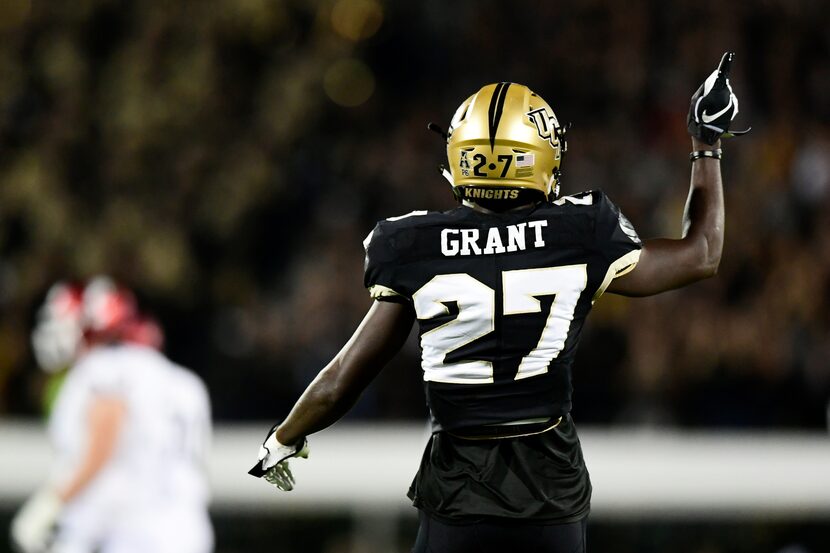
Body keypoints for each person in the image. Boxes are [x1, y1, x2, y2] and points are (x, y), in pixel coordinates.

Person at [249, 53, 748, 552]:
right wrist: (706, 143)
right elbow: (702, 253)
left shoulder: (411, 243)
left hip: (457, 493)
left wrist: (285, 437)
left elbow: (343, 376)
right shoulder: (581, 230)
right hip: (550, 490)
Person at [11, 276, 214, 553]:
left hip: (134, 532)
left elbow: (104, 440)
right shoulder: (186, 383)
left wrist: (51, 504)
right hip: (190, 528)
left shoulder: (106, 368)